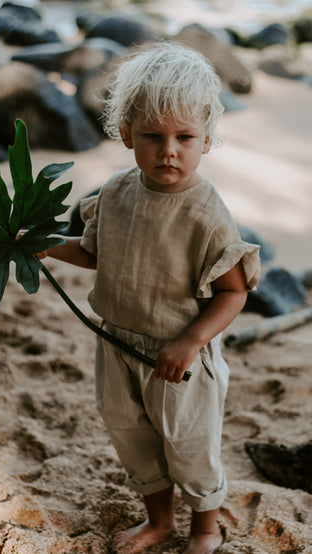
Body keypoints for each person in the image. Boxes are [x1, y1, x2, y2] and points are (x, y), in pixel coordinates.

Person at [30, 43, 261, 553]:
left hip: (180, 355)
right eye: (152, 136)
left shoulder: (207, 213)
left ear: (207, 138)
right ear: (127, 133)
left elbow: (233, 291)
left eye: (185, 137)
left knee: (189, 445)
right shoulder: (115, 193)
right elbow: (96, 254)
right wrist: (44, 244)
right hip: (116, 343)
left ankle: (206, 526)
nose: (168, 151)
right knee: (131, 435)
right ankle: (158, 521)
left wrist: (188, 341)